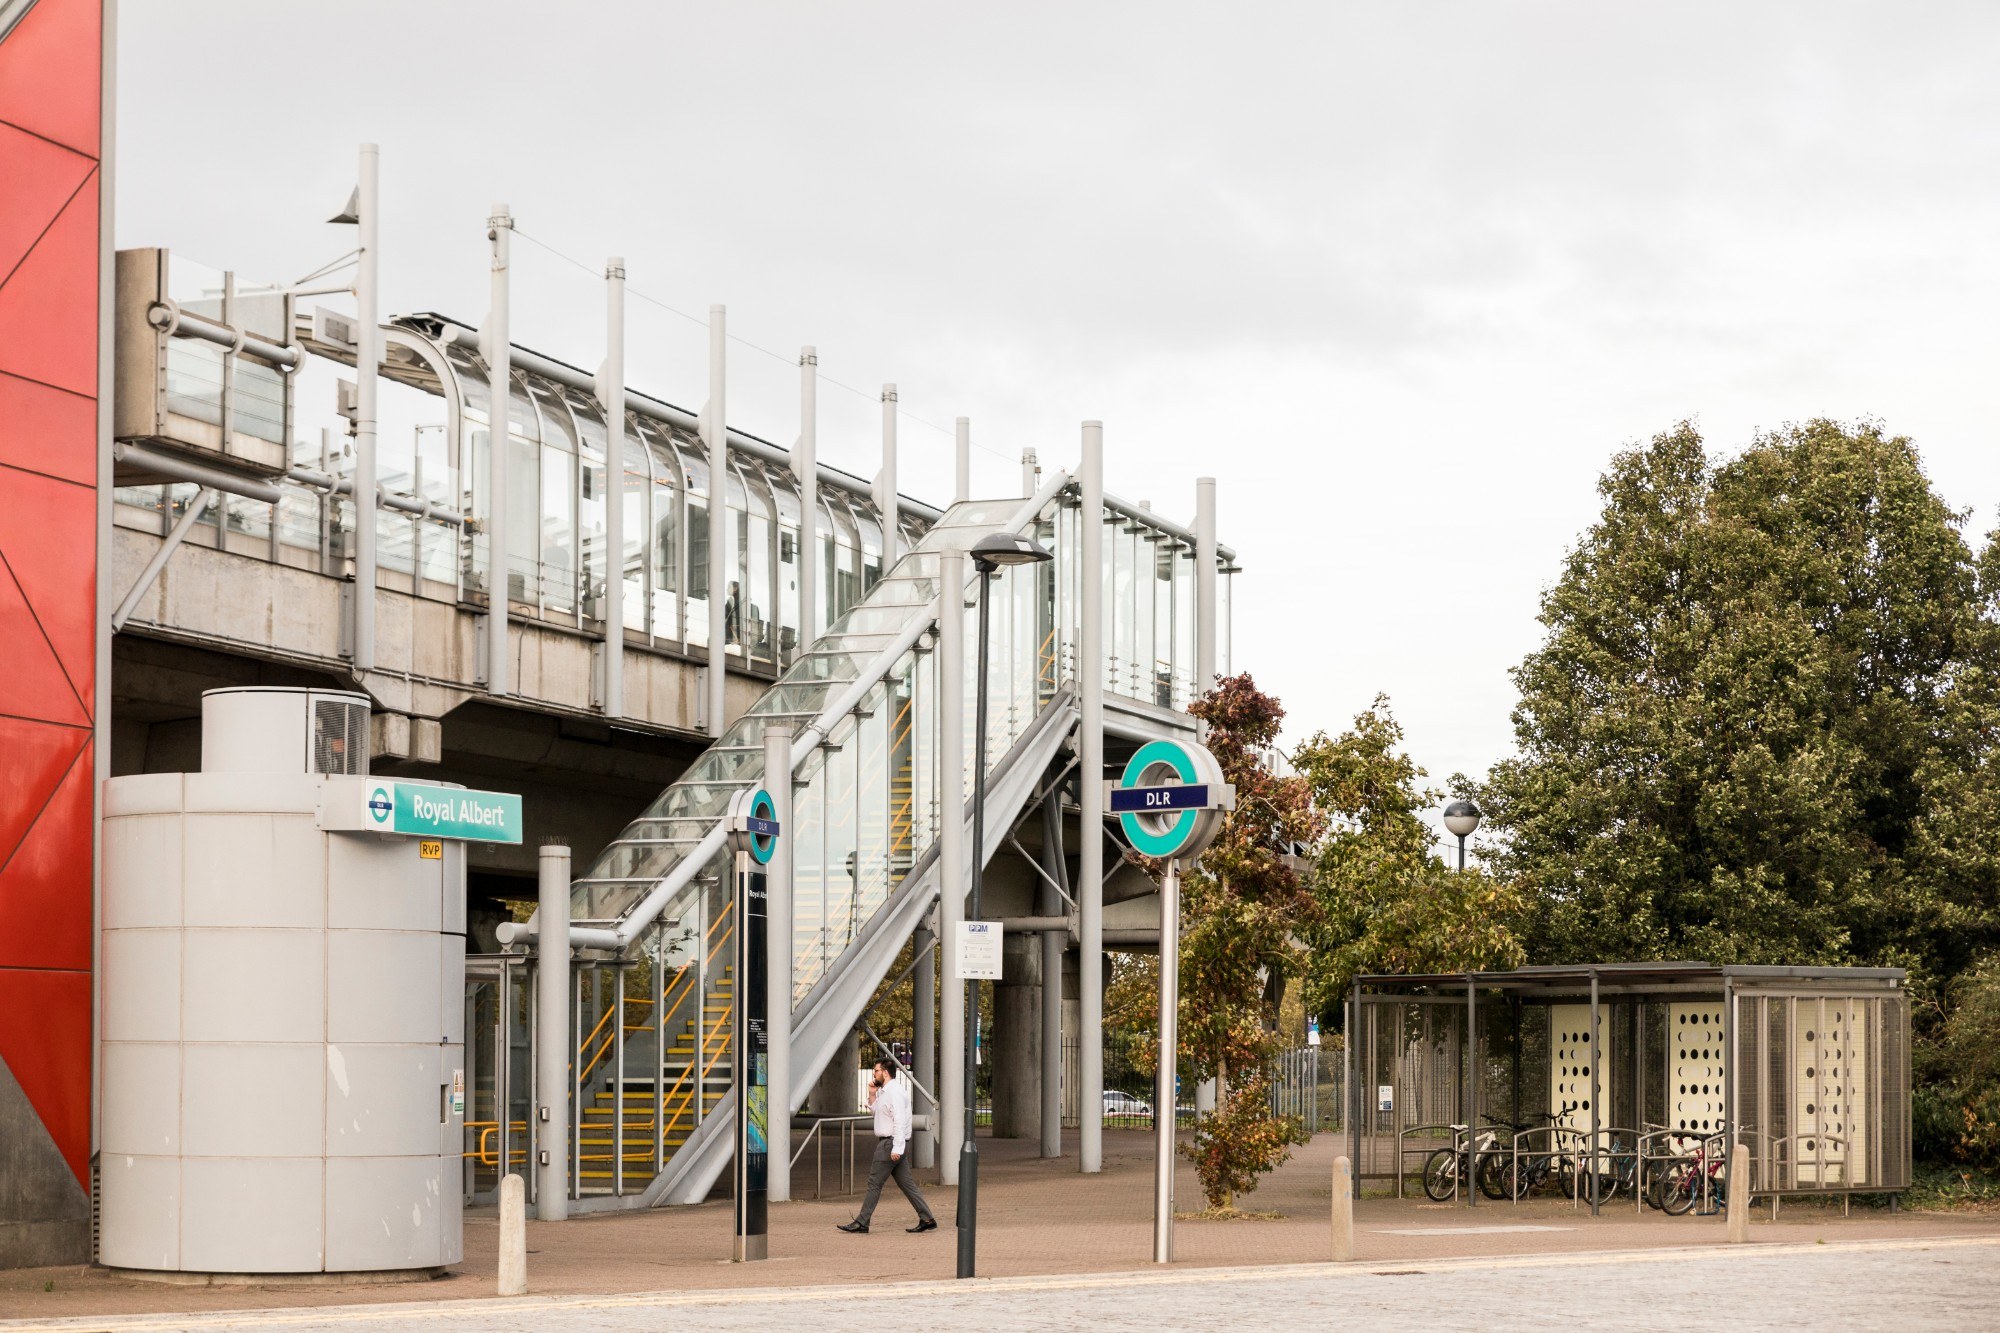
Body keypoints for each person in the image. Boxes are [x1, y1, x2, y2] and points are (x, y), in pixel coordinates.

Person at [837, 1058, 937, 1234]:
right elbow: (879, 1113)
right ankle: (927, 1218)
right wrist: (873, 1094)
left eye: (875, 1071)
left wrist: (897, 1148)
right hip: (892, 1143)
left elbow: (900, 1120)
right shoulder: (885, 1091)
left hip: (890, 1143)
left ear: (884, 1072)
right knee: (907, 1185)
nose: (873, 1074)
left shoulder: (895, 1092)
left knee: (874, 1183)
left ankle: (862, 1222)